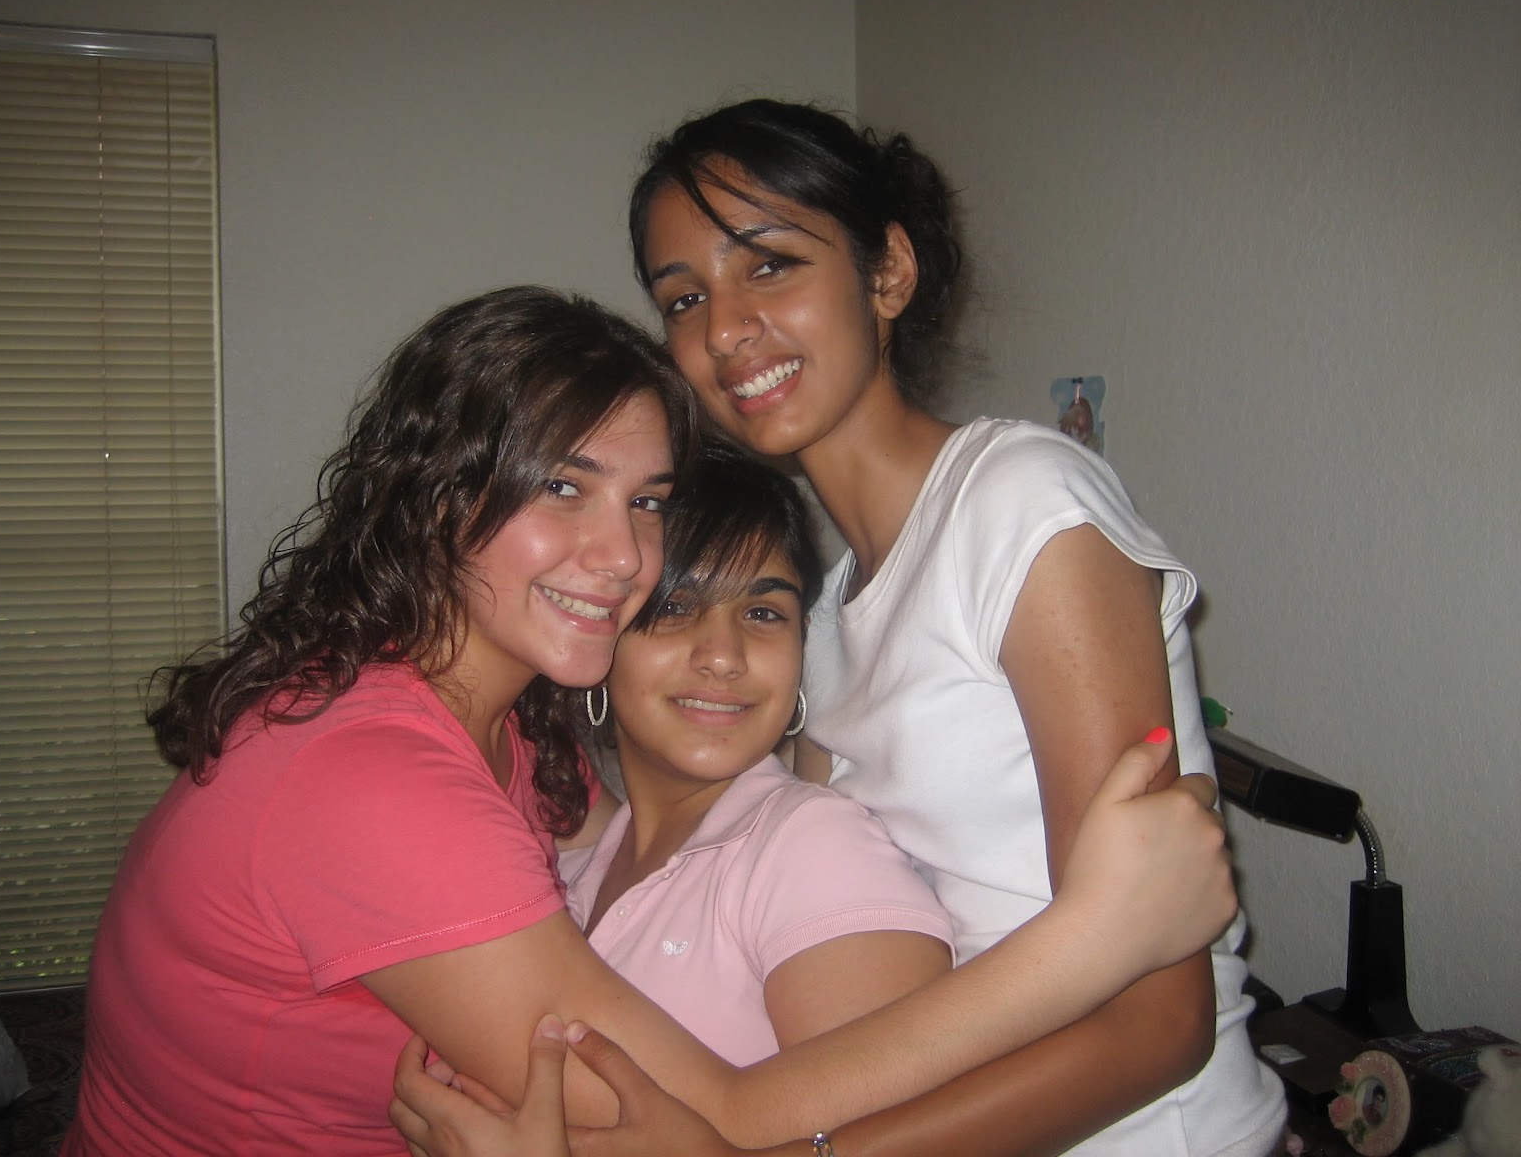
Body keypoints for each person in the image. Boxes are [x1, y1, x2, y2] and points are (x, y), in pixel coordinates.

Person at [63, 285, 1230, 1157]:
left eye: (647, 502)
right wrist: (1094, 937)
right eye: (562, 487)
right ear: (436, 494)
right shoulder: (375, 781)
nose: (622, 557)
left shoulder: (483, 727)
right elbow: (712, 1115)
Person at [390, 100, 1286, 1156]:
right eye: (683, 298)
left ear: (887, 273)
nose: (722, 331)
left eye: (767, 265)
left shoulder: (1024, 508)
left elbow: (1159, 1023)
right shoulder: (826, 622)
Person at [563, 440, 954, 1065]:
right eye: (675, 608)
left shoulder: (806, 845)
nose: (723, 655)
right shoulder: (573, 880)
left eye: (764, 612)